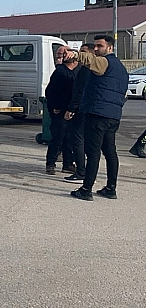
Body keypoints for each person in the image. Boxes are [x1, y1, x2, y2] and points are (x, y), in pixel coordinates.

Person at [63, 35, 129, 201]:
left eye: (100, 46)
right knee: (110, 152)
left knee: (92, 153)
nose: (97, 49)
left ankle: (86, 189)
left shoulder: (104, 62)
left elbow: (89, 60)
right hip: (113, 116)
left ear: (110, 48)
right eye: (96, 46)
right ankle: (111, 188)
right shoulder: (121, 69)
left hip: (97, 114)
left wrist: (75, 54)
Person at [63, 43, 95, 183]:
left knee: (78, 140)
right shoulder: (84, 69)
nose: (80, 54)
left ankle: (81, 171)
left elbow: (80, 91)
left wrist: (71, 108)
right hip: (87, 108)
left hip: (81, 109)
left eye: (83, 52)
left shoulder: (86, 70)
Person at [44, 45, 78, 175]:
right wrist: (55, 107)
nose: (64, 55)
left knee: (69, 139)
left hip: (72, 109)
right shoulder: (60, 71)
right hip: (60, 110)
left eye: (66, 53)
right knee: (58, 138)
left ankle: (68, 163)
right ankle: (51, 163)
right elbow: (51, 91)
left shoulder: (76, 71)